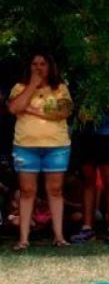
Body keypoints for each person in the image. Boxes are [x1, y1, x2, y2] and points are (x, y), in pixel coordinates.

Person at [8, 53, 74, 250]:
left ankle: (59, 236)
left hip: (56, 146)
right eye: (34, 64)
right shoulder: (20, 88)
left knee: (55, 190)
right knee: (27, 192)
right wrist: (32, 86)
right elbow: (14, 108)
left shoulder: (60, 88)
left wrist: (31, 110)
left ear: (50, 66)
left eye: (43, 64)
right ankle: (23, 239)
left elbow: (63, 112)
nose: (38, 67)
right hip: (25, 146)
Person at [70, 97, 109, 244]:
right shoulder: (79, 77)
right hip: (84, 132)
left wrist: (98, 105)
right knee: (88, 180)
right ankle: (87, 228)